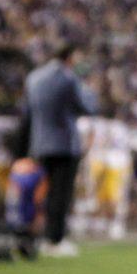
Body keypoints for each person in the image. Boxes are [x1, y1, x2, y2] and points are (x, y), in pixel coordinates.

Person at [23, 43, 96, 256]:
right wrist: (88, 89)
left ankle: (34, 235)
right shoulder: (67, 78)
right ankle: (54, 239)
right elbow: (87, 107)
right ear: (70, 57)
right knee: (60, 194)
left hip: (40, 143)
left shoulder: (34, 77)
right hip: (64, 144)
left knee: (40, 192)